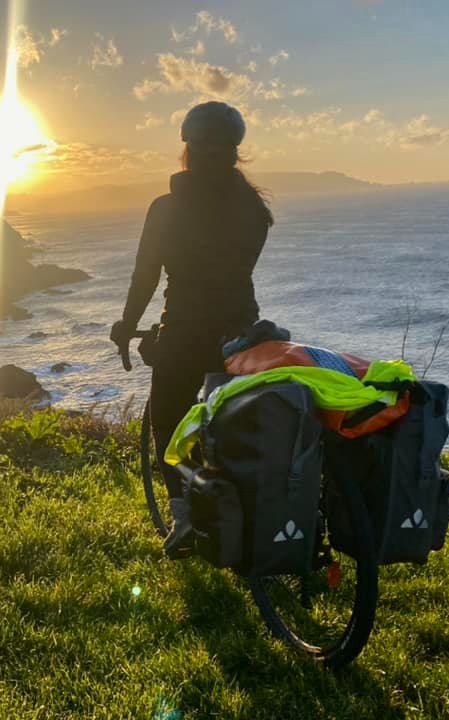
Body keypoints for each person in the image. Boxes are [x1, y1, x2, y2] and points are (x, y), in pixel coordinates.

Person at [110, 101, 274, 558]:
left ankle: (183, 520)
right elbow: (237, 272)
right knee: (235, 428)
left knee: (169, 420)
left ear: (187, 149)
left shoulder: (166, 208)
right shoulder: (255, 209)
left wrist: (126, 325)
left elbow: (146, 277)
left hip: (185, 332)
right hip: (244, 332)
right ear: (235, 154)